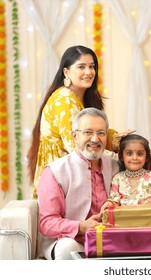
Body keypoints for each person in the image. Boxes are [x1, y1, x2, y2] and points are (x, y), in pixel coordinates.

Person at [27, 45, 124, 199]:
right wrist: (120, 157)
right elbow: (76, 146)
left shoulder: (79, 97)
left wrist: (120, 141)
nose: (89, 72)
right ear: (66, 72)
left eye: (92, 67)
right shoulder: (65, 98)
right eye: (81, 67)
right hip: (62, 179)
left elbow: (91, 131)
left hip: (78, 173)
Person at [37, 108, 120, 260]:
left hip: (110, 239)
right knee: (67, 248)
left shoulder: (116, 166)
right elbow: (47, 222)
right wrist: (80, 227)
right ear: (75, 136)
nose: (95, 139)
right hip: (71, 241)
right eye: (88, 132)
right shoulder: (55, 171)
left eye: (101, 133)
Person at [101, 134, 151, 216]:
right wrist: (109, 203)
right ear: (122, 157)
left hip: (150, 221)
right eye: (129, 154)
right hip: (125, 221)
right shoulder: (117, 178)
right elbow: (114, 200)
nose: (134, 158)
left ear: (146, 157)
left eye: (140, 154)